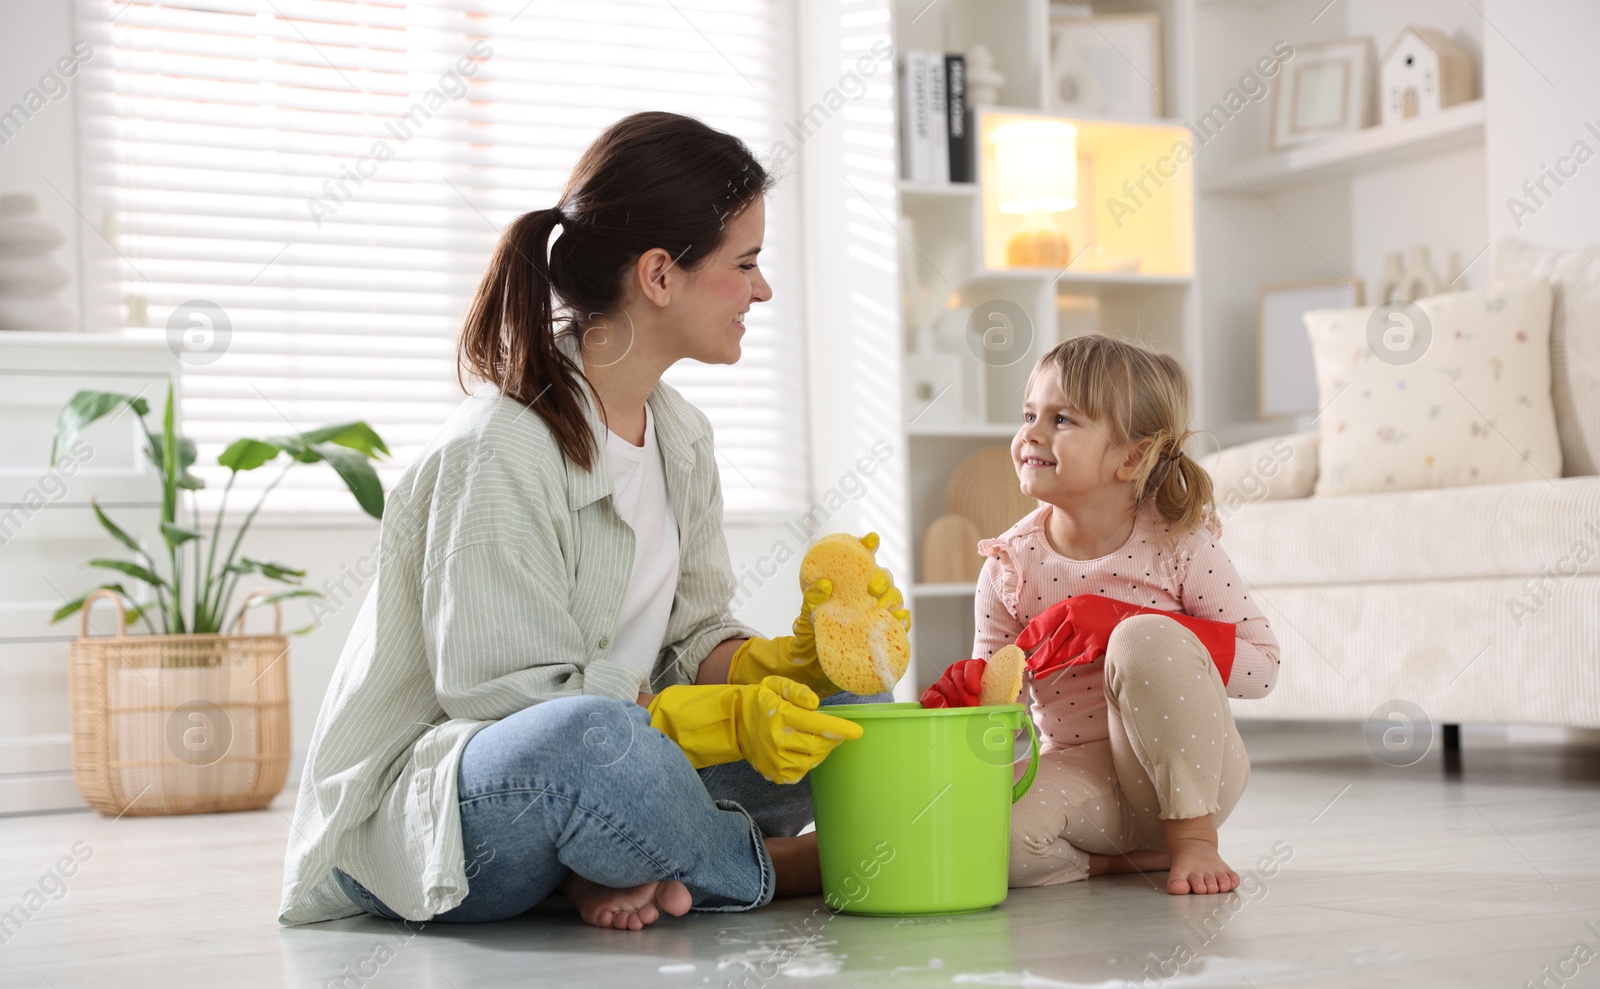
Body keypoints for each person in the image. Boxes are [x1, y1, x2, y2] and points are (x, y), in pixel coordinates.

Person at [278, 111, 907, 931]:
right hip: (451, 803)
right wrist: (696, 723)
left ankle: (614, 866)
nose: (763, 289)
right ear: (659, 275)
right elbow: (506, 705)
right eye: (746, 263)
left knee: (860, 711)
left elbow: (691, 639)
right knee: (595, 748)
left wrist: (785, 665)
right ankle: (775, 865)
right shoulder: (500, 448)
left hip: (613, 754)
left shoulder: (682, 436)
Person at [966, 334, 1279, 895]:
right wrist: (963, 698)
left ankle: (1191, 841)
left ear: (1132, 457)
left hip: (1198, 775)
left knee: (1141, 636)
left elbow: (1261, 670)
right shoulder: (1010, 566)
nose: (1032, 433)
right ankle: (1125, 861)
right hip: (1086, 783)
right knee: (986, 838)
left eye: (1063, 419)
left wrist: (1117, 622)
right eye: (1030, 413)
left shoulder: (1179, 545)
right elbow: (998, 711)